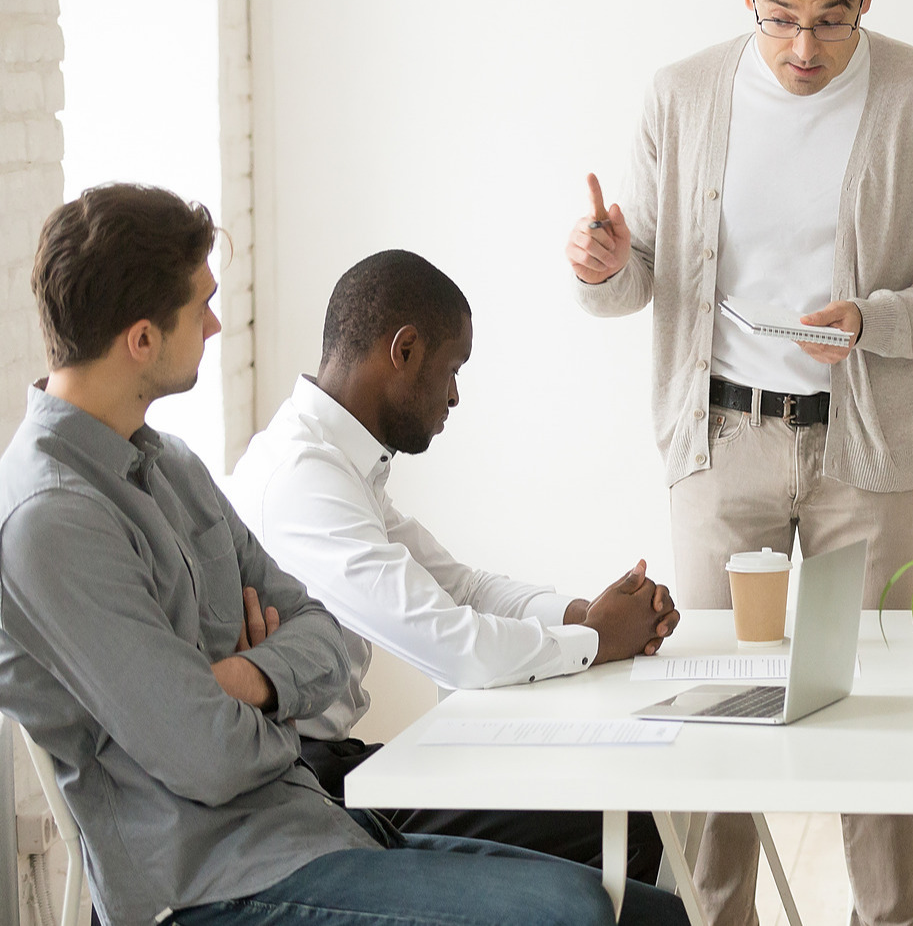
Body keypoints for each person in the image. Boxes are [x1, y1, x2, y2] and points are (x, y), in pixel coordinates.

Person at [0, 185, 687, 926]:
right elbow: (208, 754)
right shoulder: (52, 520)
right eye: (199, 305)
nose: (216, 322)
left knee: (646, 912)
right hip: (211, 881)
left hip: (305, 826)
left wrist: (251, 678)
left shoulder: (171, 463)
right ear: (140, 339)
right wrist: (276, 707)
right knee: (579, 912)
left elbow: (321, 628)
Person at [565, 0, 913, 926]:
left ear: (864, 0)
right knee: (710, 708)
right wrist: (600, 264)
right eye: (777, 17)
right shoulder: (680, 95)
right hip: (719, 443)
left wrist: (879, 320)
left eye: (827, 20)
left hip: (866, 449)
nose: (801, 47)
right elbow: (635, 275)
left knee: (875, 716)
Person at [228, 249, 680, 879]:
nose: (456, 395)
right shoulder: (303, 478)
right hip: (302, 790)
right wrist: (597, 640)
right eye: (453, 368)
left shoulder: (335, 461)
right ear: (404, 351)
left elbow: (462, 588)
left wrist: (587, 613)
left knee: (611, 796)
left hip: (333, 764)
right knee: (622, 818)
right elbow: (451, 646)